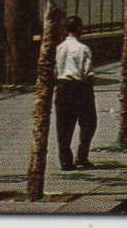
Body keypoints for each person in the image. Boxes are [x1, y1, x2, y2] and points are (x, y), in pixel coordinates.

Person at [54, 16, 97, 171]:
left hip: (62, 87)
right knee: (89, 123)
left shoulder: (59, 48)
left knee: (64, 126)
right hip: (80, 87)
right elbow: (87, 72)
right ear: (79, 28)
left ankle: (65, 161)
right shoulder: (83, 49)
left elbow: (55, 70)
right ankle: (82, 156)